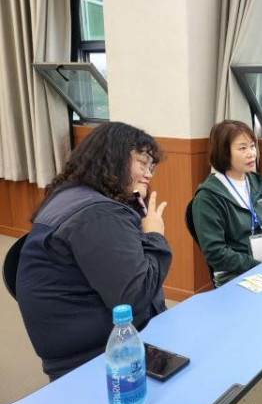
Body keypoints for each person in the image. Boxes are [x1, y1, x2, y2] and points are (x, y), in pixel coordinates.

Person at [16, 122, 172, 381]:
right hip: (99, 359)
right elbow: (135, 296)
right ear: (113, 159)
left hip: (71, 345)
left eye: (151, 166)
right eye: (141, 163)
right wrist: (155, 235)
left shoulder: (70, 196)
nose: (148, 174)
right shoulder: (99, 214)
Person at [192, 120, 262, 287]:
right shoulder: (208, 197)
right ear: (224, 152)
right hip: (236, 274)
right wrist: (258, 266)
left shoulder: (260, 184)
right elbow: (216, 253)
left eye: (252, 146)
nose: (251, 153)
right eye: (242, 148)